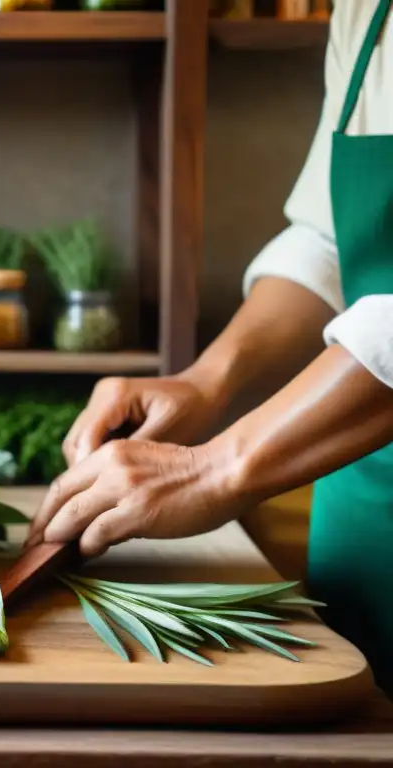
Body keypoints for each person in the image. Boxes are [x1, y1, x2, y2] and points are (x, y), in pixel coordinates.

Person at [26, 0, 393, 692]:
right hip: (362, 510)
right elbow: (332, 243)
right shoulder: (363, 10)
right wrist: (207, 381)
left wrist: (218, 467)